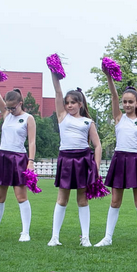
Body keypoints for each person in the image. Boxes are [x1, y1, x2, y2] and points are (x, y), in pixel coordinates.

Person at [94, 69, 137, 249]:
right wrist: (108, 77)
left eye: (131, 102)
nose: (127, 104)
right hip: (119, 160)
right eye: (125, 102)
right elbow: (113, 95)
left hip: (136, 161)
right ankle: (107, 237)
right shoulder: (118, 117)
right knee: (115, 201)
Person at [0, 68, 36, 241]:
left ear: (20, 102)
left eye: (13, 107)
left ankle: (25, 232)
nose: (10, 110)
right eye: (8, 108)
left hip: (19, 159)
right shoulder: (6, 114)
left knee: (21, 196)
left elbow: (32, 141)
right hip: (3, 157)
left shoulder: (28, 118)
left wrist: (30, 162)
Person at [48, 72, 103, 247]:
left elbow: (98, 146)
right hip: (66, 159)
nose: (69, 105)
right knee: (62, 198)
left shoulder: (88, 122)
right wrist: (53, 72)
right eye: (67, 102)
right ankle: (54, 237)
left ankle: (85, 237)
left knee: (82, 199)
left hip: (83, 160)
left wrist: (96, 167)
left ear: (80, 104)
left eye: (73, 102)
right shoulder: (62, 117)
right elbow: (57, 92)